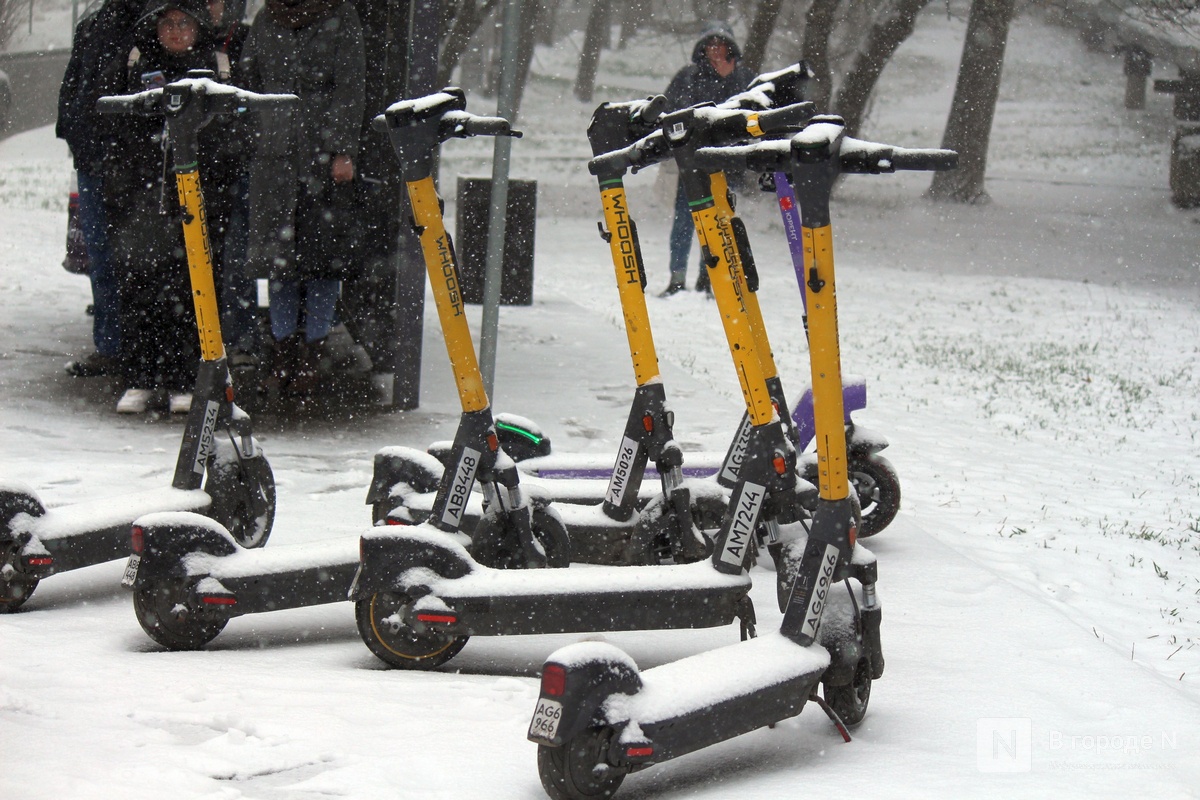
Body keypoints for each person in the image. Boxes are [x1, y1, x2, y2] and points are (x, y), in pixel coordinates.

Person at [96, 0, 231, 413]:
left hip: (195, 202)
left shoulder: (214, 70)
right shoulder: (137, 66)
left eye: (183, 24)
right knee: (140, 289)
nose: (175, 32)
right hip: (143, 201)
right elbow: (114, 126)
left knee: (192, 291)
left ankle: (185, 378)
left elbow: (230, 136)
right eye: (167, 24)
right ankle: (140, 377)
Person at [240, 0, 366, 399]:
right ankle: (282, 354)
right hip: (273, 156)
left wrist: (342, 149)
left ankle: (312, 354)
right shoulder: (266, 17)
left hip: (321, 157)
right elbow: (249, 79)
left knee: (321, 261)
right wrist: (255, 132)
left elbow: (351, 85)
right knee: (278, 263)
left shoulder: (340, 15)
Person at [56, 0, 144, 377]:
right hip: (95, 157)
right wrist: (73, 130)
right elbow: (75, 82)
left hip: (129, 164)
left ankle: (129, 347)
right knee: (102, 257)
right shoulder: (94, 26)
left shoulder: (148, 23)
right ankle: (111, 345)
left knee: (132, 259)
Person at [659, 21, 755, 298]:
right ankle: (677, 279)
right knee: (684, 222)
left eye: (721, 45)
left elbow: (749, 117)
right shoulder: (687, 77)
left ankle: (708, 278)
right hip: (690, 165)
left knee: (719, 223)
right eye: (710, 45)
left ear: (730, 49)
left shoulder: (743, 78)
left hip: (726, 164)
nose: (715, 50)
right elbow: (670, 114)